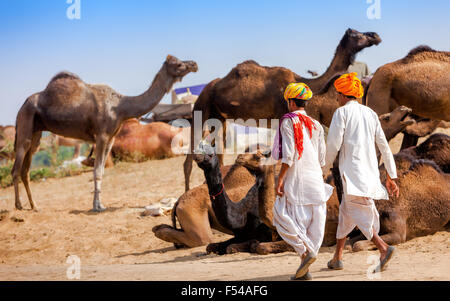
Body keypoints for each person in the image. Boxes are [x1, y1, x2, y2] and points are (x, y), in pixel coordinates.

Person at [323, 72, 400, 273]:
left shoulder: (341, 113)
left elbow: (333, 145)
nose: (337, 97)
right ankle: (337, 257)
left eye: (338, 94)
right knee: (346, 213)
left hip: (351, 173)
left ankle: (383, 247)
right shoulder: (370, 113)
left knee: (356, 211)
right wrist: (391, 176)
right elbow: (384, 145)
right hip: (369, 173)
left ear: (342, 94)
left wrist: (322, 169)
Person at [273, 83, 333, 281]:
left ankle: (306, 251)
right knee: (312, 222)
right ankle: (304, 269)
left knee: (281, 216)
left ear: (290, 102)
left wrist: (280, 180)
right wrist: (320, 173)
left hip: (296, 178)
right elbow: (322, 156)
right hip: (315, 176)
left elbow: (289, 155)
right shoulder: (315, 124)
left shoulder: (288, 121)